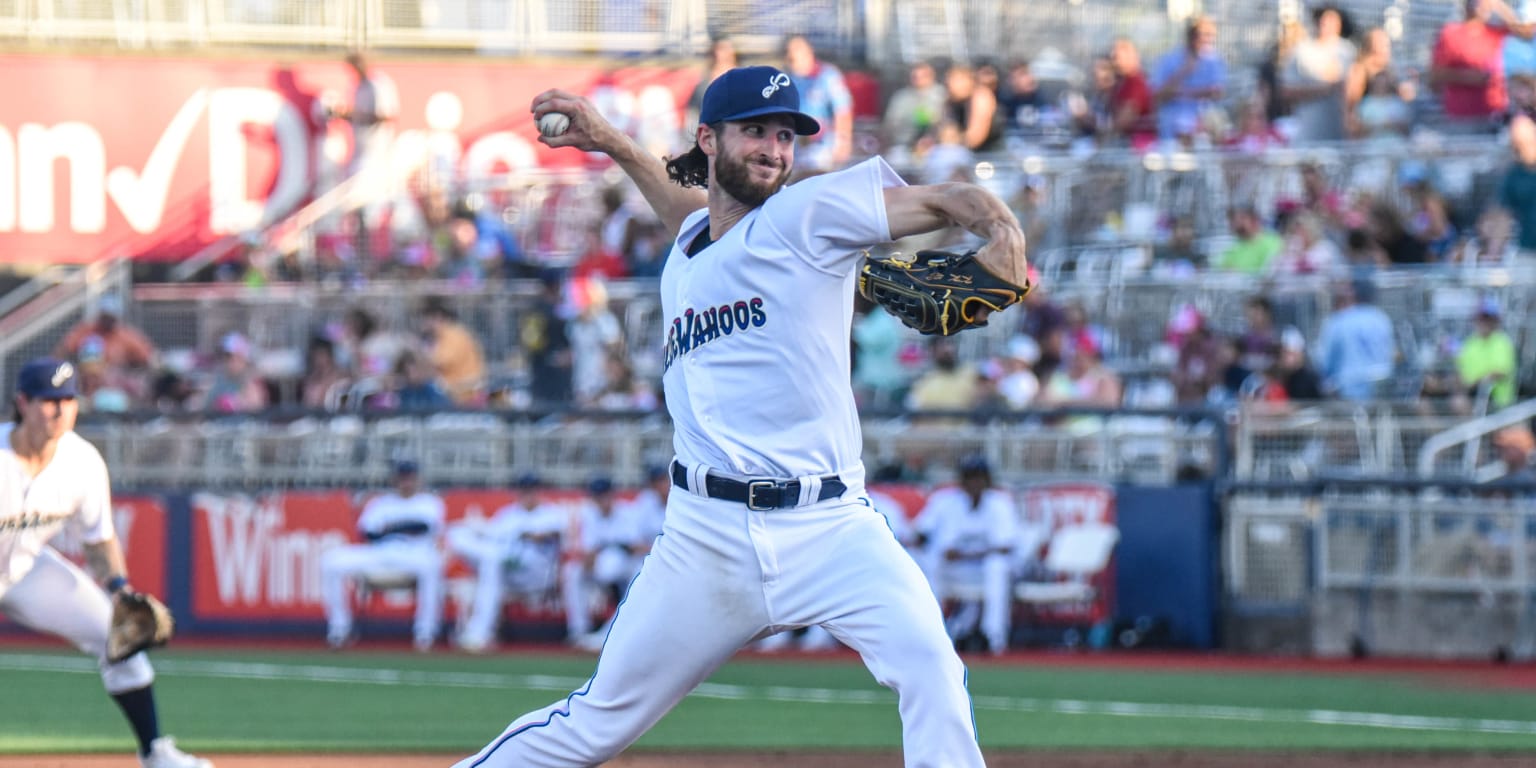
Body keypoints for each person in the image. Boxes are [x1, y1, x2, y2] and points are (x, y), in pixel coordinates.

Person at [456, 63, 1029, 767]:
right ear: (709, 139)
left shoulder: (806, 215)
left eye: (786, 134)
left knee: (930, 669)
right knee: (598, 719)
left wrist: (1000, 229)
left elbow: (949, 198)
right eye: (755, 130)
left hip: (832, 526)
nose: (773, 147)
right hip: (706, 537)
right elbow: (689, 216)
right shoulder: (690, 251)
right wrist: (612, 141)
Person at [0, 358, 214, 768]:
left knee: (119, 638)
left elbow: (99, 540)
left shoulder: (81, 461)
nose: (61, 410)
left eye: (68, 399)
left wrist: (119, 589)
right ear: (22, 402)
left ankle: (155, 751)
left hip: (26, 571)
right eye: (49, 400)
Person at [319, 459, 445, 652]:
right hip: (381, 552)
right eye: (402, 478)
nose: (407, 482)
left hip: (413, 554)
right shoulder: (381, 503)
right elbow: (369, 533)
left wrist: (390, 527)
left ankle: (425, 632)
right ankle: (339, 629)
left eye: (410, 478)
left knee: (433, 565)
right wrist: (402, 527)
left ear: (418, 479)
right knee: (331, 561)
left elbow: (424, 526)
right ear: (395, 480)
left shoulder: (429, 502)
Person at [912, 455, 1018, 656]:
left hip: (983, 569)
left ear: (988, 480)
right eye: (969, 477)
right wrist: (930, 548)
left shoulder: (1000, 503)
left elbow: (1006, 547)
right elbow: (921, 532)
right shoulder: (944, 501)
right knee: (930, 561)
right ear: (961, 480)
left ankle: (994, 637)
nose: (974, 483)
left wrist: (965, 554)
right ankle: (931, 632)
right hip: (952, 569)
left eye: (979, 477)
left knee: (997, 566)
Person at [447, 474, 563, 653]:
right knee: (461, 537)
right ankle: (479, 634)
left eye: (531, 490)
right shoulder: (508, 514)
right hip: (506, 567)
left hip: (536, 572)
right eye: (524, 490)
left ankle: (479, 632)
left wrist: (527, 534)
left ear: (537, 491)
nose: (527, 494)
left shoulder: (550, 513)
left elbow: (550, 534)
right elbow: (492, 535)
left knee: (492, 560)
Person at [562, 477, 655, 651]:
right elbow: (589, 552)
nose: (601, 500)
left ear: (612, 495)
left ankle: (613, 630)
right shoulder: (589, 513)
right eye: (597, 496)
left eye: (604, 495)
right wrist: (590, 560)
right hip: (602, 564)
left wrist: (613, 547)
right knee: (572, 571)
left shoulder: (628, 512)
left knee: (637, 571)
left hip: (626, 565)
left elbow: (638, 546)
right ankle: (579, 630)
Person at [1430, 0, 1536, 132]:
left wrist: (1498, 6)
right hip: (1462, 118)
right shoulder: (1451, 32)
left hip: (1495, 115)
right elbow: (1435, 75)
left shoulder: (1493, 33)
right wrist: (1469, 78)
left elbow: (1525, 32)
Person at [1282, 5, 1357, 143]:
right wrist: (1325, 88)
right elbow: (1287, 90)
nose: (1326, 24)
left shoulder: (1347, 51)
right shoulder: (1301, 50)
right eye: (1323, 20)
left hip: (1339, 132)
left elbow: (1353, 90)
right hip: (1309, 131)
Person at [782, 34, 854, 174]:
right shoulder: (785, 79)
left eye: (797, 50)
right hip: (793, 149)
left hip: (822, 149)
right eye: (789, 51)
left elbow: (843, 110)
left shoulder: (827, 76)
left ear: (809, 51)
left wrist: (843, 142)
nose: (793, 55)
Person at [1151, 17, 1228, 144]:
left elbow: (1216, 92)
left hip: (1204, 124)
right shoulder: (1169, 59)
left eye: (1210, 35)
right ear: (1190, 35)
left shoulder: (1214, 60)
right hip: (1173, 125)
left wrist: (1179, 93)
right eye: (1201, 34)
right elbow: (1158, 95)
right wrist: (1183, 71)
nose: (1206, 39)